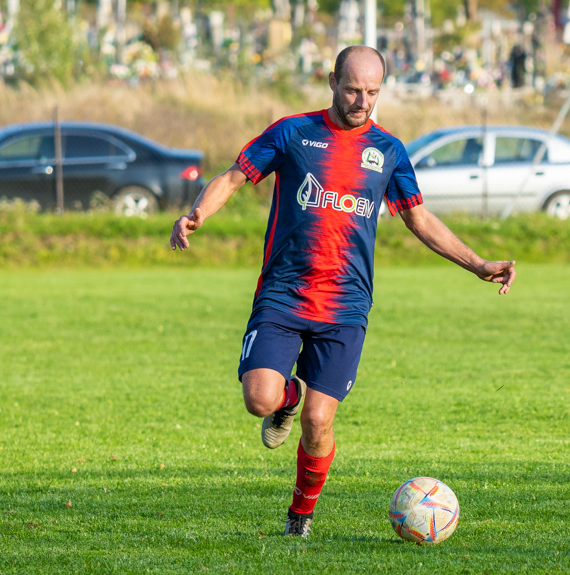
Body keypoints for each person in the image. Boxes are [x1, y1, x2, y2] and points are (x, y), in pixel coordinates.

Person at [169, 45, 516, 538]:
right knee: (259, 399)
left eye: (373, 92)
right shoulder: (293, 132)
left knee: (318, 420)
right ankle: (286, 396)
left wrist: (478, 264)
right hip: (285, 294)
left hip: (346, 305)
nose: (362, 101)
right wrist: (197, 214)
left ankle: (299, 519)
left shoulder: (388, 151)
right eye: (353, 89)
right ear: (332, 81)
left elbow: (419, 217)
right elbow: (233, 177)